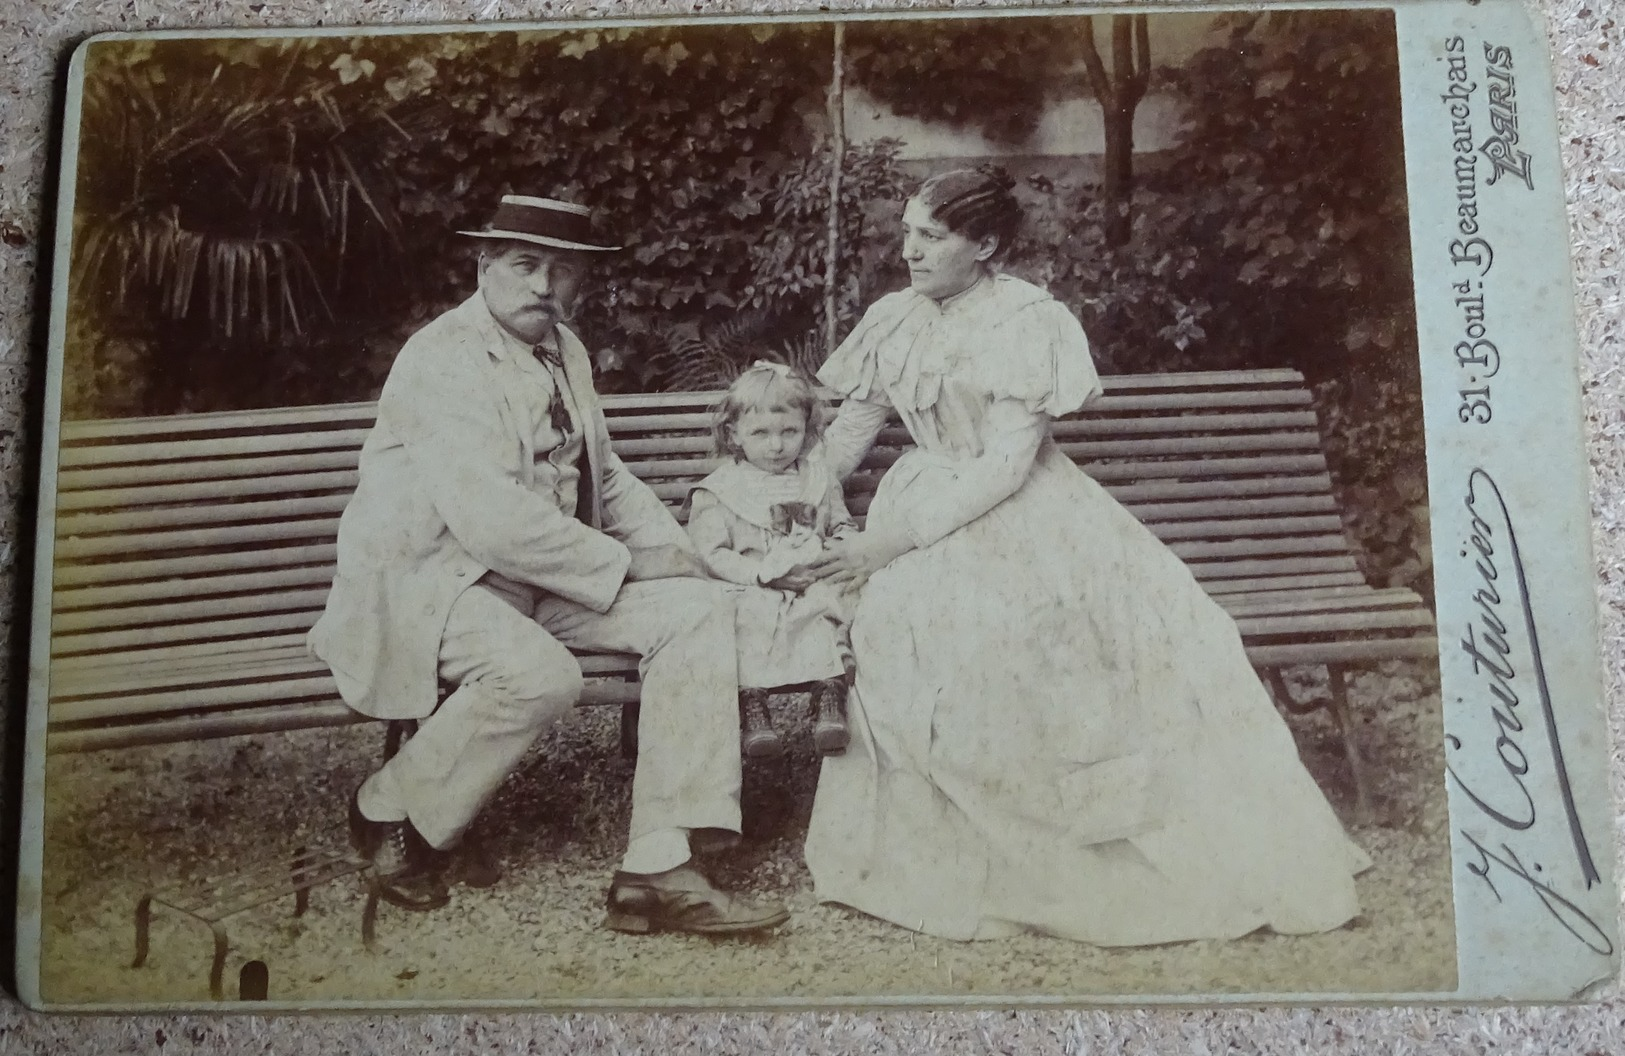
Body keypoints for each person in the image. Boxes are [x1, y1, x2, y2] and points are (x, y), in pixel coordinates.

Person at [801, 169, 1372, 945]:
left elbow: (1004, 468)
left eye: (930, 236)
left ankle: (1067, 857)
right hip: (922, 503)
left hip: (1020, 515)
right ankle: (949, 849)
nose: (910, 251)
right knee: (901, 631)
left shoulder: (1027, 320)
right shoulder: (894, 318)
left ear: (988, 244)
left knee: (1037, 645)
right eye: (907, 232)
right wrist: (797, 501)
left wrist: (887, 543)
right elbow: (850, 429)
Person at [308, 194, 788, 936]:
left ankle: (659, 866)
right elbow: (490, 520)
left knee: (698, 612)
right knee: (541, 674)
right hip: (433, 579)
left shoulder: (563, 350)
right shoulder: (440, 358)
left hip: (536, 577)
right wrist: (630, 562)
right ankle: (385, 808)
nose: (542, 286)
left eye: (561, 272)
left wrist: (683, 558)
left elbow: (604, 472)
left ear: (581, 283)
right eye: (525, 266)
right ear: (484, 266)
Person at [685, 362, 858, 759]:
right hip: (751, 584)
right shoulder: (719, 491)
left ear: (807, 430)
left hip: (808, 581)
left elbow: (842, 526)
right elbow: (711, 554)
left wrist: (834, 553)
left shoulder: (818, 480)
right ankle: (753, 707)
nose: (776, 446)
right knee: (744, 619)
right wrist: (760, 574)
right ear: (734, 435)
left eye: (789, 432)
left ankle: (829, 697)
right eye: (760, 433)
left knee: (824, 609)